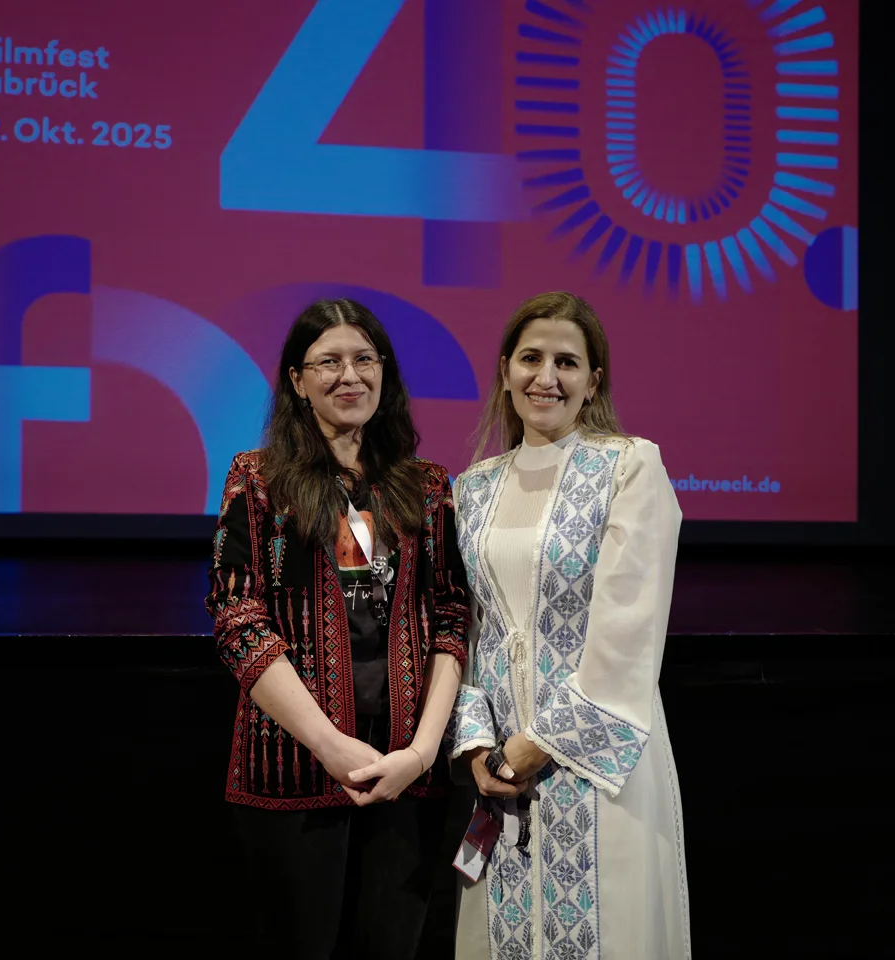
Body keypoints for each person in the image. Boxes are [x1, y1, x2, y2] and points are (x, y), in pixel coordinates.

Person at [205, 297, 471, 959]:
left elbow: (452, 618)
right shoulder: (258, 480)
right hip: (294, 768)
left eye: (363, 359)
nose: (348, 376)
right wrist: (328, 745)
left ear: (384, 373)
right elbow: (238, 619)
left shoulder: (427, 487)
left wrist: (419, 753)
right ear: (297, 381)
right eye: (328, 362)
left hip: (408, 772)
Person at [447, 292, 690, 959]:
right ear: (505, 371)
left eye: (566, 362)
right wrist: (478, 751)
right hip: (498, 774)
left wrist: (537, 746)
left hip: (599, 767)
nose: (545, 377)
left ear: (593, 382)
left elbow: (629, 627)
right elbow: (463, 633)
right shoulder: (471, 489)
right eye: (530, 358)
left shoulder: (630, 466)